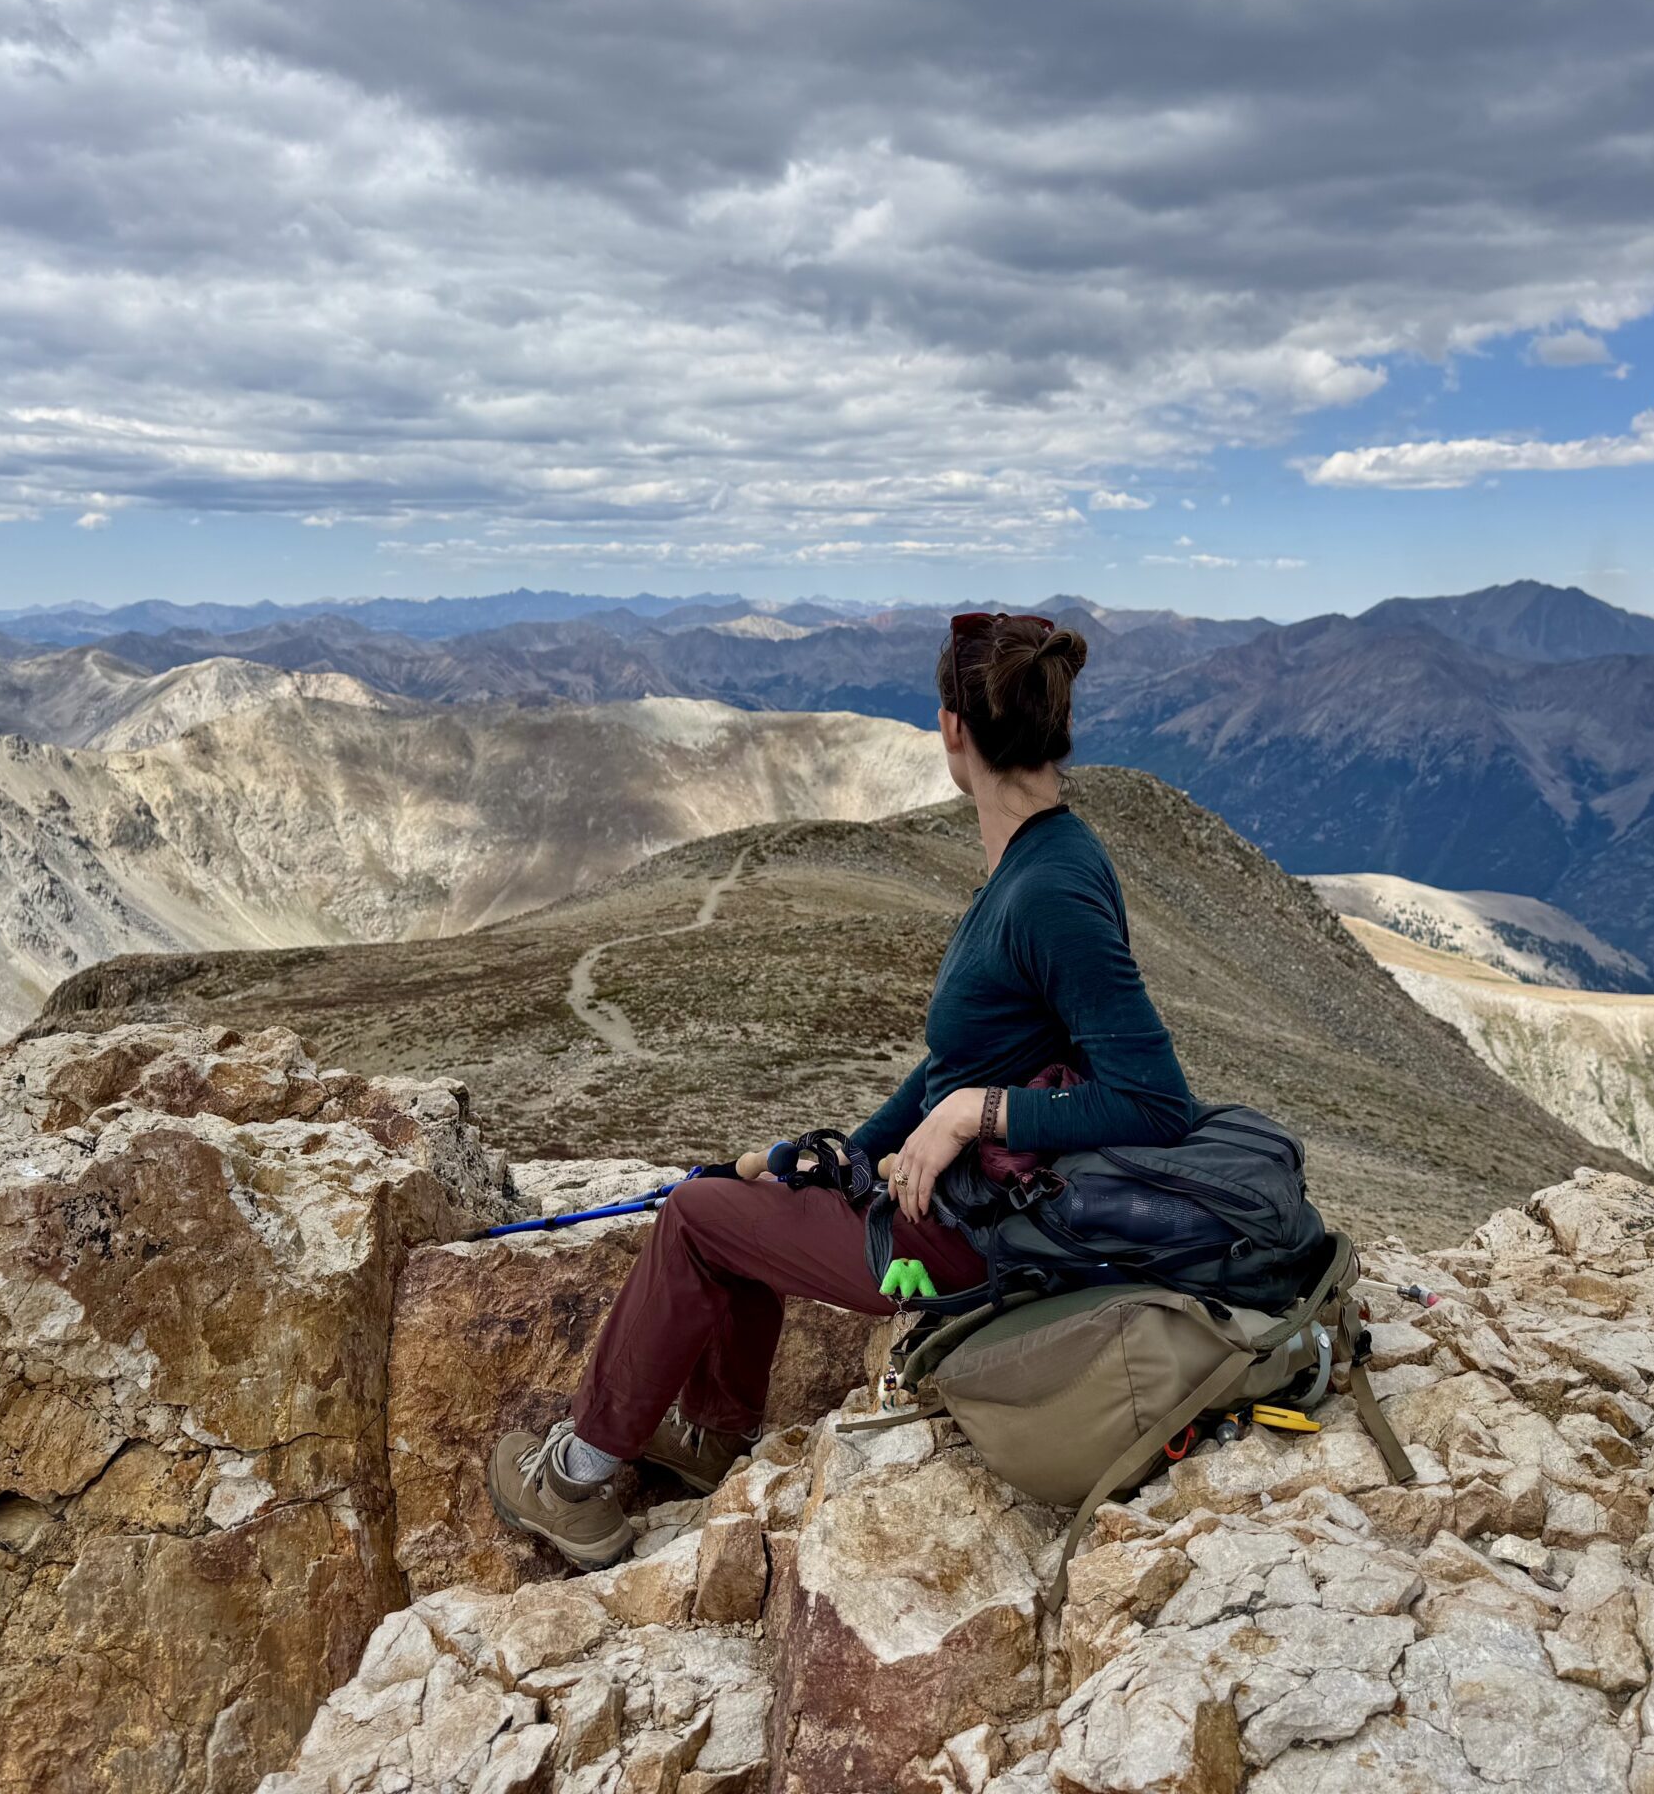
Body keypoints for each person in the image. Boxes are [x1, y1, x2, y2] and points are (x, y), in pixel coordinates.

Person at [486, 610, 1195, 1567]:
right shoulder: (1039, 856)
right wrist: (846, 1154)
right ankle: (711, 1435)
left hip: (971, 1236)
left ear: (952, 729)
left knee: (696, 1216)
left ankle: (575, 1476)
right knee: (751, 1195)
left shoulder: (1048, 890)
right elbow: (962, 1060)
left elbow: (1157, 1103)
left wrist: (970, 1115)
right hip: (975, 1204)